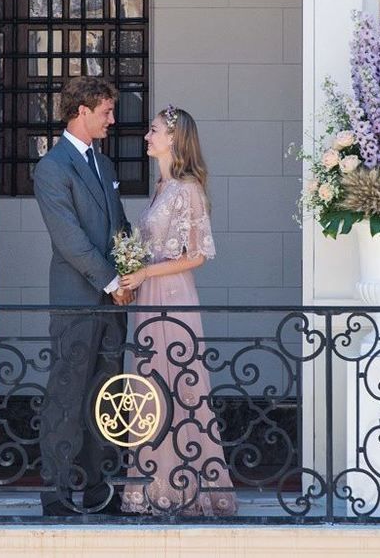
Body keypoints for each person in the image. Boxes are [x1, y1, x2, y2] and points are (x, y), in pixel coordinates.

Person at [120, 106, 237, 516]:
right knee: (150, 385)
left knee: (177, 386)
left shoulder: (187, 189)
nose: (147, 136)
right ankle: (155, 484)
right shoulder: (161, 187)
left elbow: (198, 255)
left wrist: (144, 271)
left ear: (173, 138)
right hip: (150, 291)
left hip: (171, 294)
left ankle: (186, 488)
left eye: (153, 131)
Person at [34, 76, 133, 516]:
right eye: (107, 112)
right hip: (78, 298)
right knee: (67, 391)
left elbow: (120, 225)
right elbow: (69, 239)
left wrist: (134, 269)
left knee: (105, 392)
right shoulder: (52, 167)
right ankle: (55, 490)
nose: (112, 119)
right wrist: (111, 280)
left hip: (114, 300)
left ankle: (98, 487)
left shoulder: (105, 165)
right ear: (82, 112)